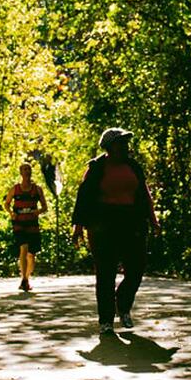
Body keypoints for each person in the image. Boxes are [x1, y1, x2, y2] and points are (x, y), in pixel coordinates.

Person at [71, 128, 160, 335]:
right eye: (121, 143)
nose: (125, 147)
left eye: (126, 144)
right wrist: (78, 227)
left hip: (132, 221)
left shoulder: (133, 166)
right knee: (105, 272)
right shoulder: (96, 168)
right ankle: (106, 321)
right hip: (103, 223)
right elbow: (83, 198)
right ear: (110, 147)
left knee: (137, 267)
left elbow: (144, 194)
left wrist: (153, 219)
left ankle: (123, 302)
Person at [4, 163, 48, 291]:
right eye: (24, 169)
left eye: (29, 169)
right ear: (20, 172)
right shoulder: (15, 189)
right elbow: (6, 204)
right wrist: (11, 213)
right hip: (19, 223)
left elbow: (45, 206)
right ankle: (23, 278)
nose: (27, 171)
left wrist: (38, 212)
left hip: (32, 223)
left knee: (31, 255)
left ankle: (26, 278)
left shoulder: (37, 189)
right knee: (23, 248)